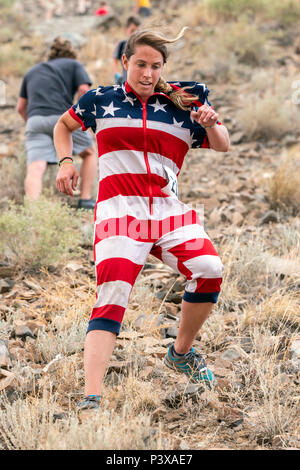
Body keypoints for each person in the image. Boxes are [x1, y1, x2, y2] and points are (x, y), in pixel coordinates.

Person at [54, 27, 230, 411]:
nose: (147, 73)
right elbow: (63, 126)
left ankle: (180, 353)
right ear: (124, 63)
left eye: (155, 66)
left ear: (163, 67)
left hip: (168, 211)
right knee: (112, 294)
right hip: (120, 211)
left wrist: (212, 121)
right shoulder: (101, 99)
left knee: (209, 267)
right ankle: (92, 397)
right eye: (140, 64)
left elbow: (223, 144)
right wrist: (66, 162)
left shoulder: (183, 103)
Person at [17, 37, 97, 209]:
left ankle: (32, 212)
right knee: (89, 152)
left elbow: (20, 107)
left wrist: (32, 123)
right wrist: (83, 120)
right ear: (71, 53)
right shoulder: (74, 64)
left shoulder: (32, 71)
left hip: (35, 120)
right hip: (61, 118)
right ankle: (85, 199)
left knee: (36, 167)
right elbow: (84, 90)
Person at [112, 16, 141, 85]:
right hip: (125, 82)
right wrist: (116, 75)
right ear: (126, 29)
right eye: (132, 30)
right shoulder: (122, 44)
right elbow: (114, 61)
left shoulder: (142, 46)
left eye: (138, 31)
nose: (135, 34)